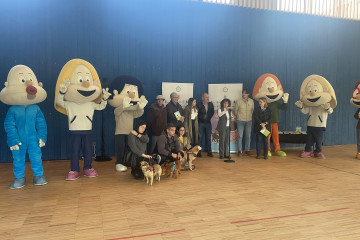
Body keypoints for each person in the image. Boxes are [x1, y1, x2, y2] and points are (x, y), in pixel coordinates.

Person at [235, 89, 254, 156]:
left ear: (248, 94)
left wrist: (249, 117)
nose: (244, 94)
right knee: (240, 136)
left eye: (245, 93)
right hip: (240, 121)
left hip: (249, 121)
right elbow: (236, 111)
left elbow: (252, 110)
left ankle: (247, 150)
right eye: (243, 93)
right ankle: (239, 150)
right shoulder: (238, 101)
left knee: (248, 136)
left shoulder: (251, 101)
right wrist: (239, 117)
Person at [197, 93, 215, 157]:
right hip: (201, 123)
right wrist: (202, 118)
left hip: (208, 123)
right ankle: (198, 152)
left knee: (208, 138)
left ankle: (209, 152)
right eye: (206, 97)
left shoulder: (210, 104)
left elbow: (212, 112)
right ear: (202, 98)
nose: (207, 98)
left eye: (208, 97)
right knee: (200, 138)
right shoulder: (199, 104)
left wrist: (207, 118)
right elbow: (197, 113)